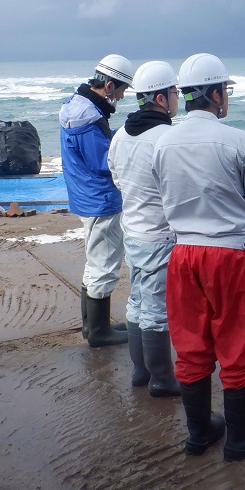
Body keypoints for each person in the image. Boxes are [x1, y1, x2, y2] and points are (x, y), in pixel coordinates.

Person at [152, 53, 245, 461]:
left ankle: (200, 432)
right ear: (217, 93)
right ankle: (239, 438)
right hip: (232, 254)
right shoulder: (237, 141)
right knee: (238, 344)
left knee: (191, 344)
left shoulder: (163, 141)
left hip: (183, 253)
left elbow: (162, 195)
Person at [107, 60, 181, 397]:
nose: (178, 98)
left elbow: (117, 177)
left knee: (136, 302)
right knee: (155, 311)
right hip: (159, 235)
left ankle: (140, 372)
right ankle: (163, 379)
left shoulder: (121, 134)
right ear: (162, 98)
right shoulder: (167, 136)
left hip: (133, 229)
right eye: (175, 92)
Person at [59, 54, 133, 348]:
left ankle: (92, 327)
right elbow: (102, 161)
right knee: (105, 261)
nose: (124, 95)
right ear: (110, 85)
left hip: (85, 195)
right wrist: (127, 142)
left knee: (95, 260)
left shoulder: (76, 107)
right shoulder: (88, 118)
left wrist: (115, 135)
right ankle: (100, 331)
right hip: (99, 198)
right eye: (123, 89)